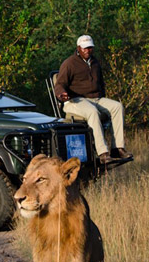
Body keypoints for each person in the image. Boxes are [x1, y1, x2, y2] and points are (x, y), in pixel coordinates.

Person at [54, 35, 131, 165]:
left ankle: (117, 148)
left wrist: (102, 98)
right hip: (75, 100)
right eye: (85, 48)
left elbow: (101, 84)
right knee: (92, 111)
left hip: (95, 99)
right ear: (78, 48)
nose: (87, 51)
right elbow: (59, 84)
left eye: (90, 48)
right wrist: (62, 94)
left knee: (117, 106)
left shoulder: (95, 63)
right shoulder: (69, 63)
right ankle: (103, 153)